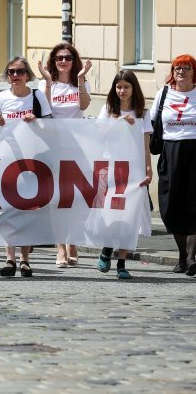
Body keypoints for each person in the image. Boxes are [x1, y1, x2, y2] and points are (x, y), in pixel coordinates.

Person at [0, 56, 52, 277]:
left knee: (28, 209)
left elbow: (51, 127)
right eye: (11, 72)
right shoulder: (0, 98)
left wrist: (35, 121)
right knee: (8, 209)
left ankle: (25, 259)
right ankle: (9, 258)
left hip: (33, 160)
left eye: (20, 71)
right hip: (7, 160)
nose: (15, 76)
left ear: (28, 75)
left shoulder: (37, 97)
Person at [38, 42, 92, 268]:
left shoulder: (81, 83)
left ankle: (72, 242)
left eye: (67, 57)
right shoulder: (45, 83)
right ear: (53, 61)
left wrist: (80, 80)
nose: (63, 61)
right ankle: (60, 246)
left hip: (77, 147)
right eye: (59, 57)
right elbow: (44, 109)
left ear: (74, 60)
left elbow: (84, 105)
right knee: (56, 197)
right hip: (53, 146)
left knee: (77, 197)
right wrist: (49, 83)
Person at [96, 70, 152, 279]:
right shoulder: (108, 109)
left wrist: (148, 169)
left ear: (133, 89)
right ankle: (106, 250)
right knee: (112, 213)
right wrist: (118, 120)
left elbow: (145, 146)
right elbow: (99, 133)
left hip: (134, 170)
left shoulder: (143, 113)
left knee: (130, 217)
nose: (122, 91)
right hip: (113, 167)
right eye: (118, 87)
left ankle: (121, 263)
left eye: (126, 87)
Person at [151, 54, 196, 276]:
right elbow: (151, 123)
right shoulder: (164, 94)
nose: (181, 72)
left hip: (194, 150)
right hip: (170, 150)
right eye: (177, 68)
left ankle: (191, 257)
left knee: (193, 202)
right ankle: (181, 255)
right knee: (170, 204)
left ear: (194, 71)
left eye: (186, 68)